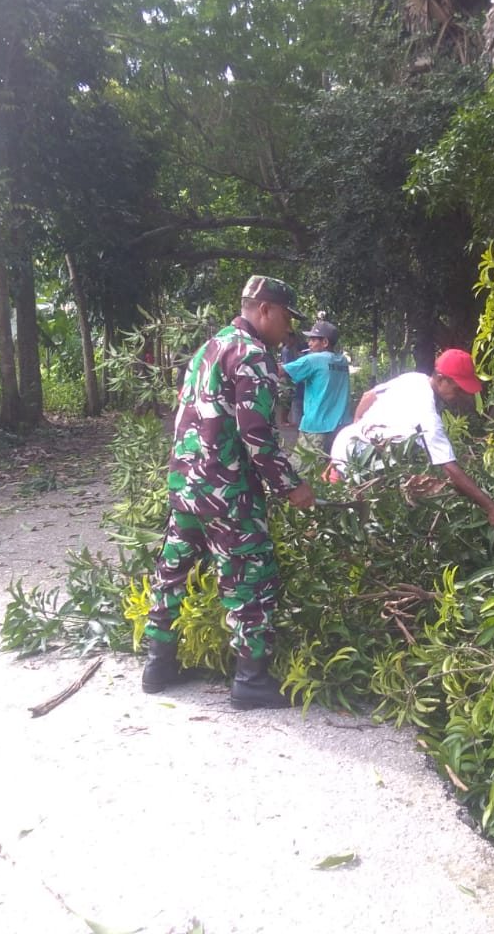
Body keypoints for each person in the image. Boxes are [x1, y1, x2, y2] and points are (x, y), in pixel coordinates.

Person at [142, 275, 316, 709]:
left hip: (186, 485)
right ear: (265, 310)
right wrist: (290, 487)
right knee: (251, 577)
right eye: (287, 319)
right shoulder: (252, 355)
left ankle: (157, 665)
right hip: (227, 492)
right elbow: (256, 434)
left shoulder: (209, 347)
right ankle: (250, 679)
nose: (289, 330)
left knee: (173, 572)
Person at [329, 348, 494, 530]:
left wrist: (358, 428)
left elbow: (368, 396)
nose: (460, 395)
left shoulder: (415, 379)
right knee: (369, 525)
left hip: (345, 442)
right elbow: (449, 468)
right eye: (458, 389)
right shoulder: (427, 415)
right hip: (357, 461)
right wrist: (491, 507)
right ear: (440, 379)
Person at [280, 319, 351, 456]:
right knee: (331, 470)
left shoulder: (313, 360)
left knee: (302, 472)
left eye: (313, 340)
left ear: (325, 342)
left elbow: (282, 371)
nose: (309, 343)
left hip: (316, 428)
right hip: (340, 427)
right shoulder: (342, 361)